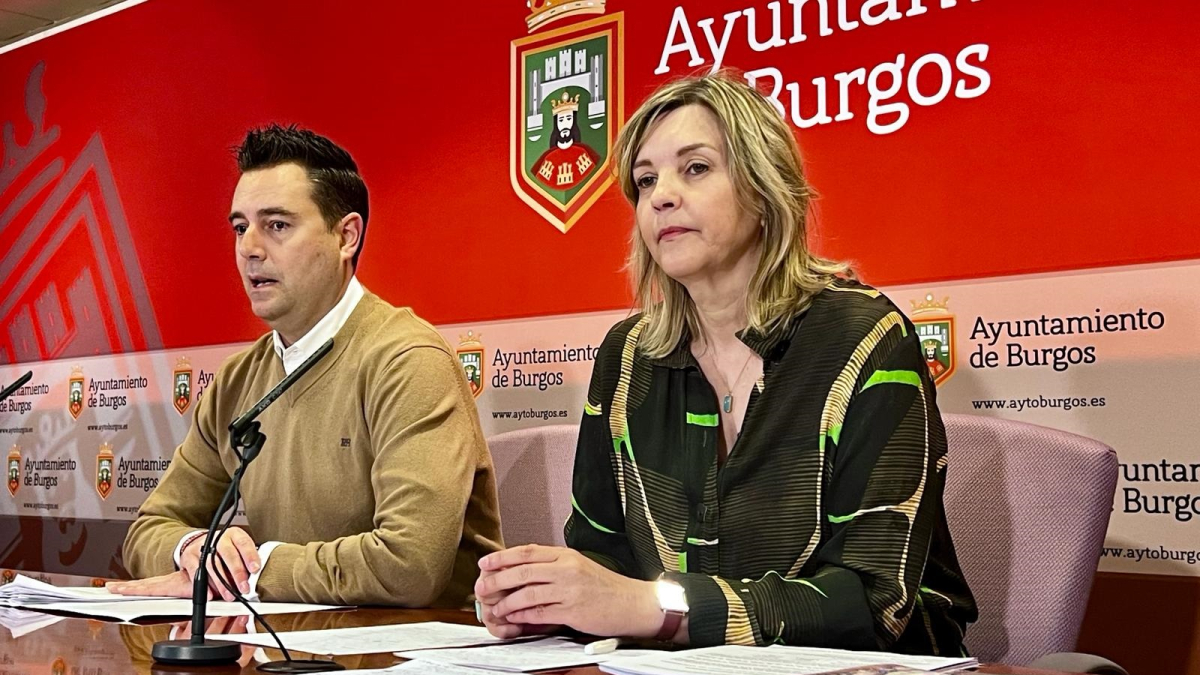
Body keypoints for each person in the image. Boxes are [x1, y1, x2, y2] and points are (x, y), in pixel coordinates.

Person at [475, 73, 976, 654]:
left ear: (764, 190)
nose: (660, 195)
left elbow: (871, 600)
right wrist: (549, 602)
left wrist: (656, 606)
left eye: (695, 168)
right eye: (645, 180)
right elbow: (603, 556)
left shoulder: (865, 337)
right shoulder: (627, 355)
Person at [110, 125, 503, 607]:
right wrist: (193, 549)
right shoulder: (237, 381)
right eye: (239, 227)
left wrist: (248, 572)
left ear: (347, 236)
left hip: (415, 651)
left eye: (277, 225)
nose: (249, 248)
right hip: (286, 648)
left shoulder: (406, 360)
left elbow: (409, 565)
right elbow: (148, 531)